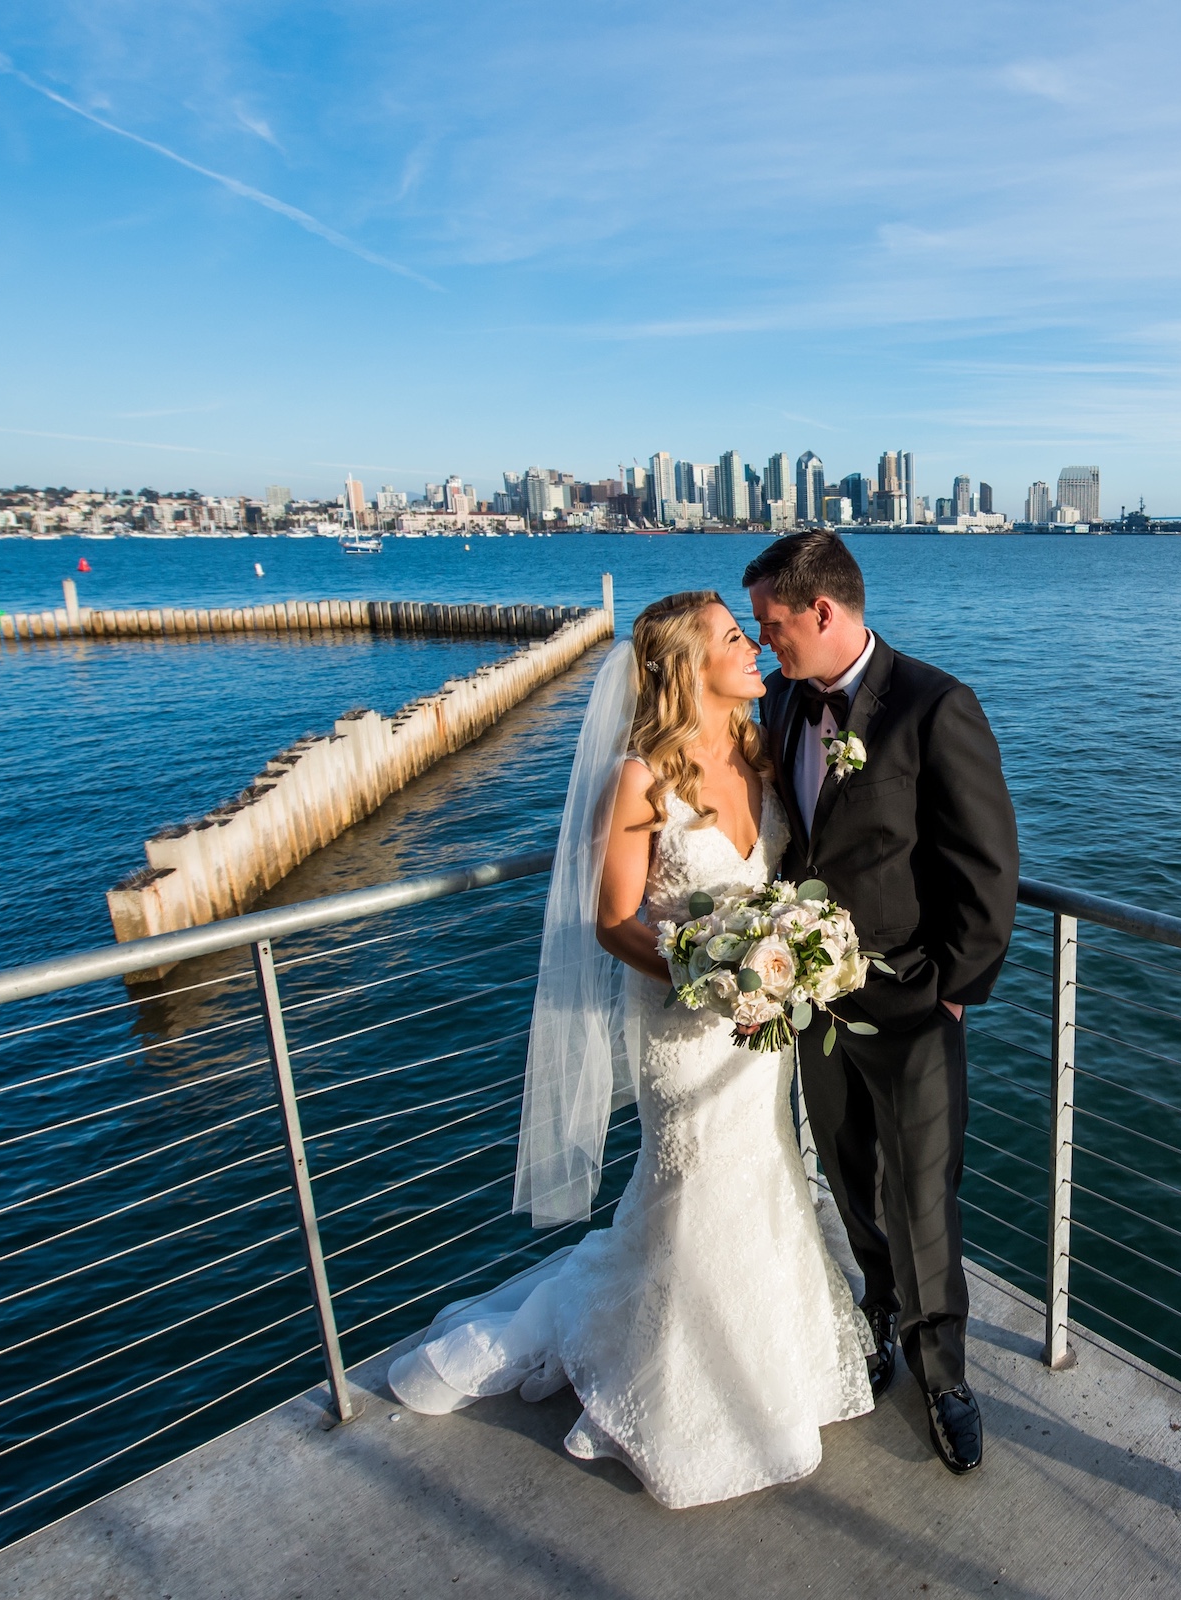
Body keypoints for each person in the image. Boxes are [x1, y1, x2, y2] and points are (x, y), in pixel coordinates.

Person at [388, 590, 874, 1510]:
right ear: (688, 667)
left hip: (755, 1034)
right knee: (693, 1187)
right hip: (683, 1029)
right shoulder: (641, 778)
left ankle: (782, 1365)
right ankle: (688, 1390)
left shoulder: (761, 746)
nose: (756, 646)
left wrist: (773, 974)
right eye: (736, 638)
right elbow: (612, 920)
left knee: (768, 1173)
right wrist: (713, 971)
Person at [744, 531, 1019, 1476]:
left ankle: (943, 1374)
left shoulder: (935, 706)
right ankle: (872, 1307)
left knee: (925, 1194)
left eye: (773, 625)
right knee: (847, 1168)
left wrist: (949, 996)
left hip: (910, 1005)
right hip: (810, 1005)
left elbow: (986, 873)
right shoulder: (780, 700)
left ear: (824, 612)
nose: (763, 644)